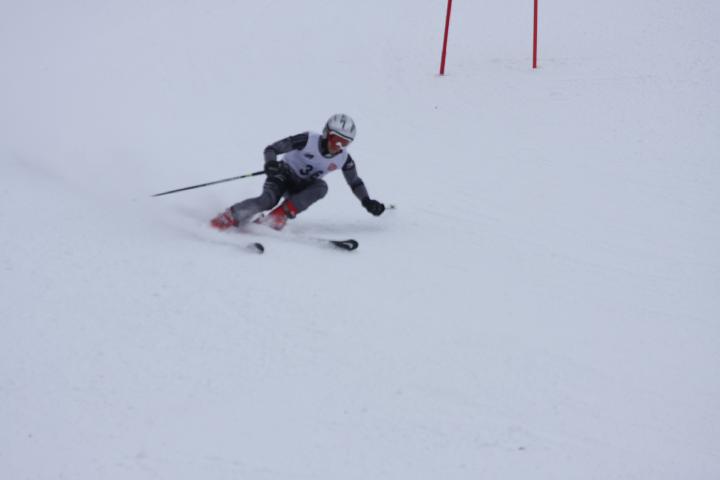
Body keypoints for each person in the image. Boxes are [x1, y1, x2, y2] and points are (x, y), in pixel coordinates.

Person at [210, 114, 386, 231]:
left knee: (321, 187)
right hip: (283, 175)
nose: (337, 146)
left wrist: (367, 201)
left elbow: (355, 181)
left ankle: (277, 217)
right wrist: (271, 163)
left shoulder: (343, 158)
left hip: (302, 187)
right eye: (335, 139)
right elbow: (272, 149)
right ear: (326, 133)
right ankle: (230, 216)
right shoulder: (308, 140)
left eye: (344, 143)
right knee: (267, 200)